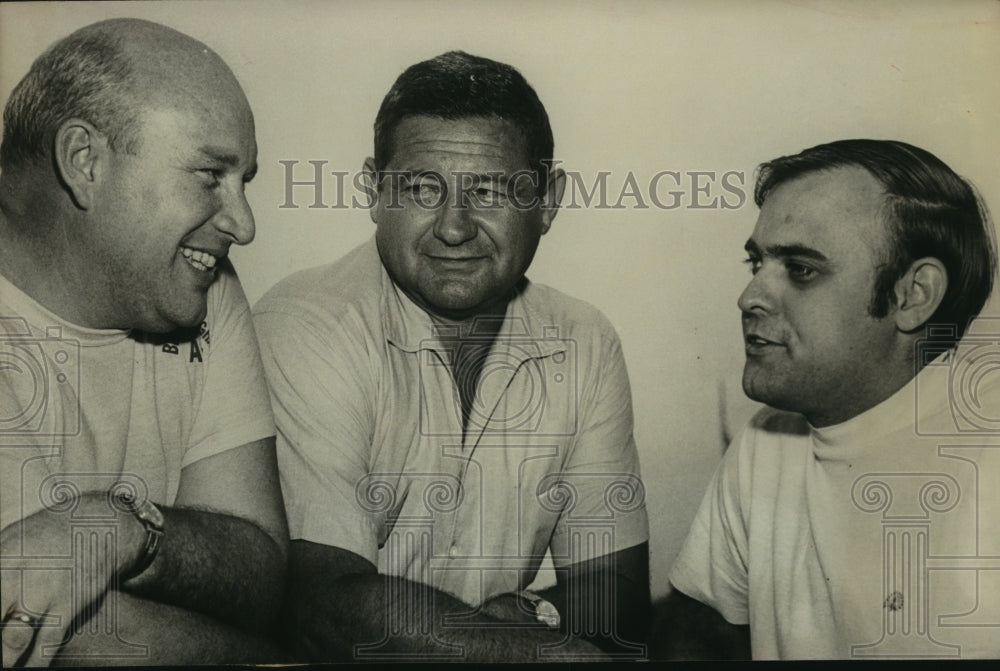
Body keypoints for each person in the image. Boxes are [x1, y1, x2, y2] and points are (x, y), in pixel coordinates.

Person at [253, 51, 650, 662]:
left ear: (548, 201)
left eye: (489, 190)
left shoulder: (584, 341)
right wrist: (528, 649)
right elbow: (325, 607)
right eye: (421, 188)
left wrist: (525, 613)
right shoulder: (308, 324)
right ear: (373, 191)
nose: (455, 227)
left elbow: (613, 600)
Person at [0, 19, 288, 666]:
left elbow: (262, 572)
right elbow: (50, 635)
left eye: (246, 182)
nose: (242, 224)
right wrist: (265, 653)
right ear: (85, 162)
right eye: (211, 175)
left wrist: (121, 527)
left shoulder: (197, 281)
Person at [655, 139, 1000, 660]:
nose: (749, 298)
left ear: (913, 295)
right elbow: (698, 631)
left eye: (801, 269)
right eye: (757, 264)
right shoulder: (767, 439)